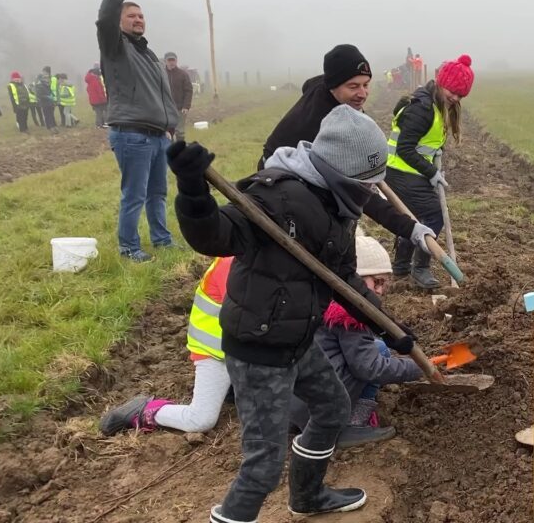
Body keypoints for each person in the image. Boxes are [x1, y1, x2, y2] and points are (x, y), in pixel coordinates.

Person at [168, 105, 403, 521]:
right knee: (263, 464)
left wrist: (388, 327)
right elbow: (213, 235)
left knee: (332, 407)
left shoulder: (338, 208)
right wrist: (192, 189)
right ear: (342, 173)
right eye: (366, 184)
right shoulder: (274, 197)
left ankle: (307, 497)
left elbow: (343, 278)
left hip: (297, 337)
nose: (370, 193)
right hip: (259, 347)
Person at [259, 44, 438, 279]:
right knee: (316, 256)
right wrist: (409, 227)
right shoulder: (321, 126)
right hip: (281, 187)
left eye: (366, 84)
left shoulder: (335, 99)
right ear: (333, 86)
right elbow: (359, 196)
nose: (362, 93)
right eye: (353, 86)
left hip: (311, 184)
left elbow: (312, 84)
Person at [289, 233, 423, 446]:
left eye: (384, 284)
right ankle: (348, 426)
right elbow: (370, 368)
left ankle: (304, 420)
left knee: (377, 346)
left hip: (292, 400)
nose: (380, 290)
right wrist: (416, 368)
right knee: (376, 355)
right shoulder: (348, 314)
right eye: (376, 282)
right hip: (320, 408)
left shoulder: (320, 298)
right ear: (355, 279)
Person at [97, 0, 180, 263]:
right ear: (119, 23)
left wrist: (171, 127)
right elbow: (104, 18)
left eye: (141, 16)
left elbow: (164, 96)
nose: (138, 20)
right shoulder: (116, 48)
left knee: (158, 193)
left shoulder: (148, 53)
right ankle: (129, 248)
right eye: (131, 16)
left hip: (159, 136)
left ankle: (162, 239)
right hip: (132, 134)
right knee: (134, 195)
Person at [100, 257, 234, 436]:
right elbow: (247, 321)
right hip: (214, 352)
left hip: (237, 349)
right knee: (200, 420)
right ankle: (145, 410)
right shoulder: (233, 263)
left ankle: (234, 388)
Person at [385, 54, 475, 289]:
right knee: (433, 215)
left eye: (460, 95)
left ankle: (402, 266)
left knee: (411, 216)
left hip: (408, 171)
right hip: (399, 172)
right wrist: (431, 172)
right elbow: (405, 148)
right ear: (441, 82)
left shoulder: (436, 105)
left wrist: (436, 152)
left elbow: (427, 140)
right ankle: (420, 268)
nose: (455, 98)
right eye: (452, 91)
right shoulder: (422, 108)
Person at [164, 51, 193, 140]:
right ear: (165, 61)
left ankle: (180, 149)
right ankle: (169, 151)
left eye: (173, 60)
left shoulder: (183, 74)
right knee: (167, 131)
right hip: (165, 109)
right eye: (169, 60)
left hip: (180, 108)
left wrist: (186, 106)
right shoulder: (161, 74)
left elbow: (188, 91)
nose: (171, 62)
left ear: (176, 61)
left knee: (180, 131)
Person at [86, 63, 108, 128]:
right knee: (102, 112)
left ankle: (99, 124)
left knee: (98, 112)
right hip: (99, 100)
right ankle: (101, 124)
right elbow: (100, 91)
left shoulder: (90, 81)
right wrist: (104, 99)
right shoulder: (96, 81)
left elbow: (88, 90)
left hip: (93, 100)